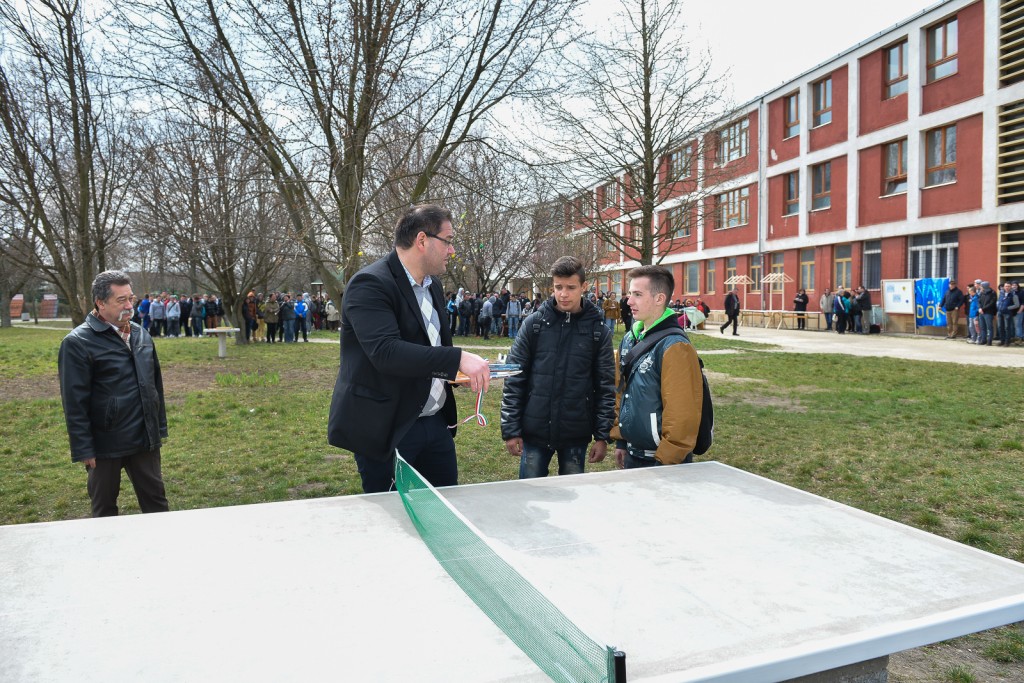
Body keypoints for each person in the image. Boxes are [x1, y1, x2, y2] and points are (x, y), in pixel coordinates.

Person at [327, 204, 490, 494]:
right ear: (422, 240)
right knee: (395, 516)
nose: (452, 250)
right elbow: (386, 352)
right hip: (388, 427)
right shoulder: (370, 284)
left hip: (436, 424)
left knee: (443, 509)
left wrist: (456, 373)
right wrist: (457, 359)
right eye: (448, 241)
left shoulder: (433, 286)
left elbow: (429, 346)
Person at [58, 270, 170, 518]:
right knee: (104, 509)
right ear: (100, 302)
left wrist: (158, 428)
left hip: (144, 438)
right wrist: (83, 448)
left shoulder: (141, 334)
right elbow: (74, 402)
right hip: (104, 444)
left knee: (157, 505)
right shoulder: (77, 343)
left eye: (131, 298)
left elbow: (155, 386)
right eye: (121, 300)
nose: (130, 305)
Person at [501, 256, 615, 479]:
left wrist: (602, 435)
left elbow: (606, 386)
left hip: (576, 431)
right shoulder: (533, 324)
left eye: (571, 287)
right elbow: (514, 378)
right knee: (530, 494)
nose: (563, 294)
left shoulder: (598, 331)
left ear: (583, 286)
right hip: (534, 430)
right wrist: (511, 429)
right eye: (558, 287)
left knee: (571, 495)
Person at [612, 265, 703, 468]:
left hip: (661, 461)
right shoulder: (629, 339)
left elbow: (682, 414)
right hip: (633, 453)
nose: (629, 301)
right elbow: (621, 391)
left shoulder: (675, 347)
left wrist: (666, 461)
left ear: (659, 299)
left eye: (637, 294)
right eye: (630, 294)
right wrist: (621, 440)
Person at [996, 281, 1020, 346]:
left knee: (1007, 327)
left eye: (1008, 286)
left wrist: (1008, 308)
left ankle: (1007, 341)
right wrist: (998, 307)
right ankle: (1002, 341)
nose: (1007, 287)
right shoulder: (1001, 293)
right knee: (1000, 327)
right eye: (1006, 286)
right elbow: (998, 301)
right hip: (1000, 312)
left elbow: (1017, 305)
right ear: (1004, 287)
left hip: (1007, 313)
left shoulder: (1014, 295)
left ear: (1011, 287)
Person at [977, 281, 997, 345]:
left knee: (989, 327)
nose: (980, 287)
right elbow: (979, 301)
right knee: (982, 327)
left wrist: (983, 309)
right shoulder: (981, 293)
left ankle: (989, 341)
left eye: (981, 286)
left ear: (984, 286)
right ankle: (983, 340)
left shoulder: (992, 293)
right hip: (981, 312)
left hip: (988, 312)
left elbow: (992, 303)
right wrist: (980, 308)